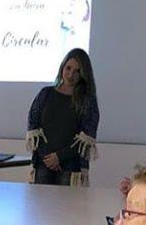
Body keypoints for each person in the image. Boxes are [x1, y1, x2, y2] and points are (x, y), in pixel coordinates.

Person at [26, 48, 99, 186]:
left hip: (71, 167)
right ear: (62, 68)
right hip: (43, 163)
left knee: (68, 207)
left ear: (84, 74)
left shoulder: (87, 101)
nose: (71, 74)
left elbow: (86, 137)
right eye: (68, 68)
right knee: (40, 206)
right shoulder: (45, 94)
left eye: (77, 71)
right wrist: (48, 158)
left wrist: (59, 157)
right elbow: (33, 126)